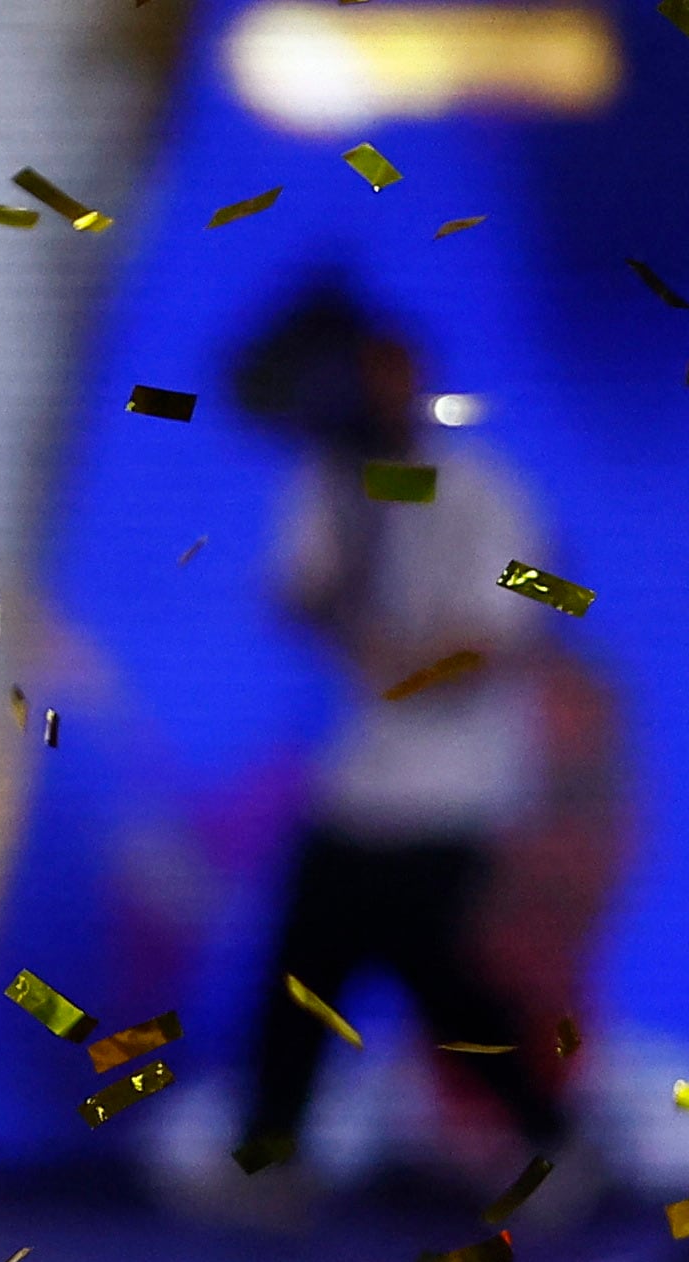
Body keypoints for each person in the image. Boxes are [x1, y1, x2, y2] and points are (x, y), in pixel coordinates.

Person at [232, 292, 570, 1173]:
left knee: (439, 980)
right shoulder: (330, 483)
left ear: (417, 380)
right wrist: (337, 610)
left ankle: (551, 1142)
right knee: (303, 970)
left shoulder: (483, 491)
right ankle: (269, 1159)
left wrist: (404, 669)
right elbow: (294, 592)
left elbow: (508, 630)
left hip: (456, 780)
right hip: (361, 778)